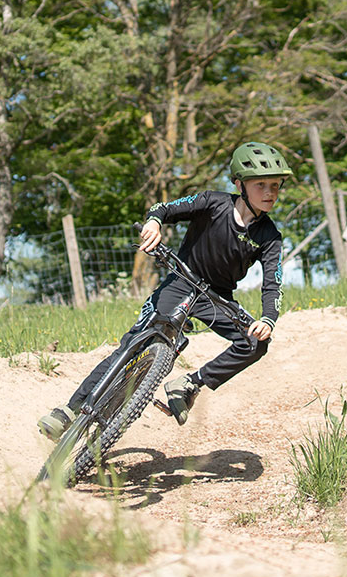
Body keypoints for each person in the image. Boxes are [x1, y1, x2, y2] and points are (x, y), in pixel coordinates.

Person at [37, 140, 292, 440]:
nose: (269, 193)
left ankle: (189, 384)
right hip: (182, 280)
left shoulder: (269, 236)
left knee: (255, 344)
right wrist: (154, 222)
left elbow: (273, 282)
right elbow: (163, 209)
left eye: (275, 185)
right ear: (239, 184)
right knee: (135, 342)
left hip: (217, 297)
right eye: (261, 184)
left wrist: (267, 318)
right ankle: (70, 411)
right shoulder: (213, 202)